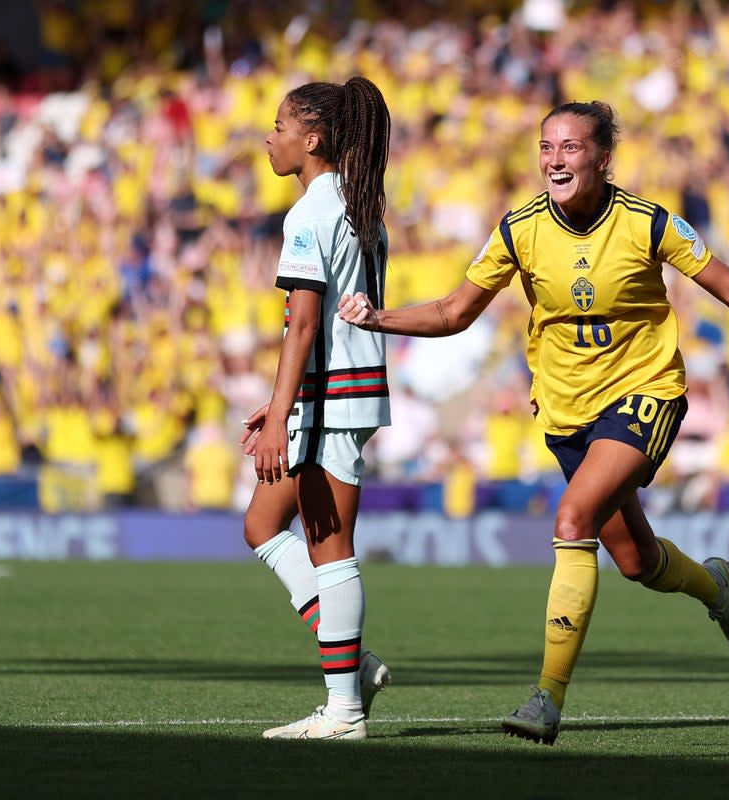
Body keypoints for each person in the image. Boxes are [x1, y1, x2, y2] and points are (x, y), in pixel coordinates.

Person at [339, 100, 729, 745]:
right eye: (546, 147)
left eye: (570, 147)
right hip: (566, 412)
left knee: (572, 520)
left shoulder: (648, 223)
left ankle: (546, 698)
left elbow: (727, 285)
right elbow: (453, 312)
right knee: (638, 561)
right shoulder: (519, 229)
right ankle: (715, 588)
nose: (555, 159)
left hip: (646, 393)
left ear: (602, 157)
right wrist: (376, 317)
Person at [237, 76, 394, 741]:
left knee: (331, 550)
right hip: (329, 393)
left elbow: (302, 324)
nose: (268, 138)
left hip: (332, 396)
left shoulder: (309, 213)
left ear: (312, 137)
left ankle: (344, 711)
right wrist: (277, 404)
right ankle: (352, 662)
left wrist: (281, 414)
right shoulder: (355, 205)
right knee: (262, 525)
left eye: (278, 127)